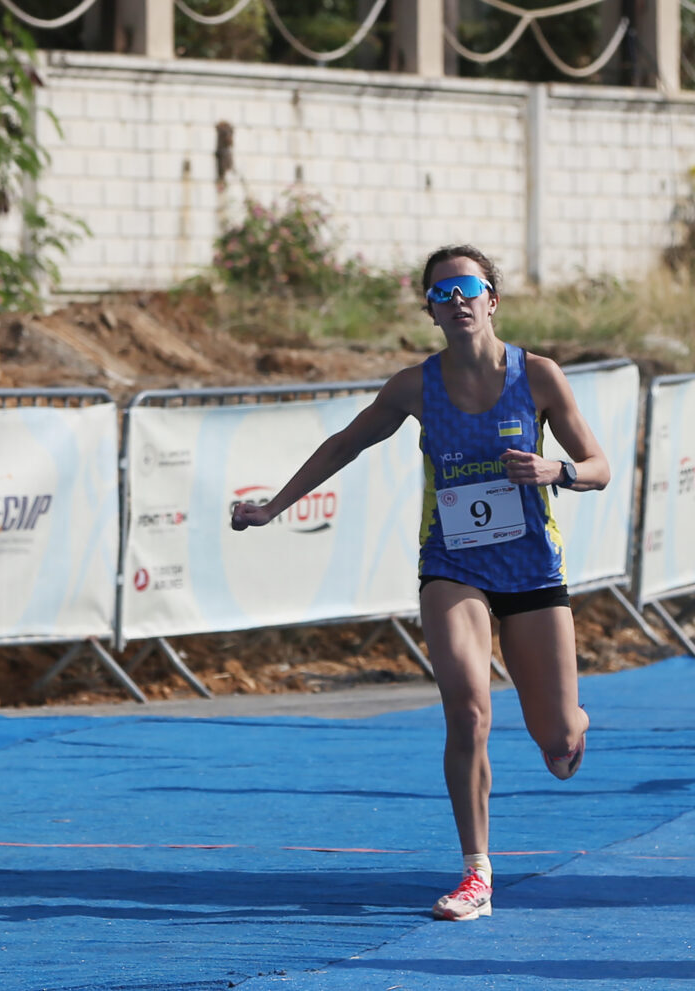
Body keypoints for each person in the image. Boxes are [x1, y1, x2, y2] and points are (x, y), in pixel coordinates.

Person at [232, 244, 609, 920]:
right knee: (467, 709)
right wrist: (272, 507)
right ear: (431, 312)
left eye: (468, 288)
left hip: (531, 569)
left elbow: (599, 465)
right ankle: (476, 873)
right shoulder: (415, 387)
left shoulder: (539, 375)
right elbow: (345, 443)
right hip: (452, 564)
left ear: (492, 300)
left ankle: (573, 723)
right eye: (441, 292)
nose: (456, 300)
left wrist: (558, 471)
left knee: (555, 742)